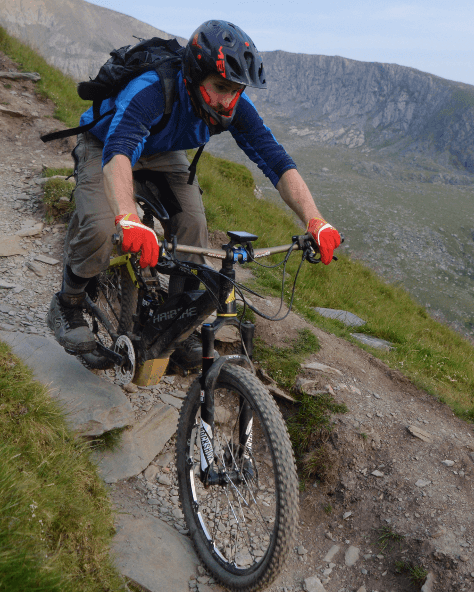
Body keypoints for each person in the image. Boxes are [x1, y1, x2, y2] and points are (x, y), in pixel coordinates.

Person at [48, 19, 341, 368]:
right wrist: (127, 217)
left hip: (164, 153)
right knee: (100, 226)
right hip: (107, 144)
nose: (228, 100)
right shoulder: (153, 89)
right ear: (193, 74)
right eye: (220, 86)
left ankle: (176, 329)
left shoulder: (232, 105)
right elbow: (120, 148)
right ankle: (68, 302)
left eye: (237, 89)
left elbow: (276, 160)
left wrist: (315, 219)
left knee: (193, 227)